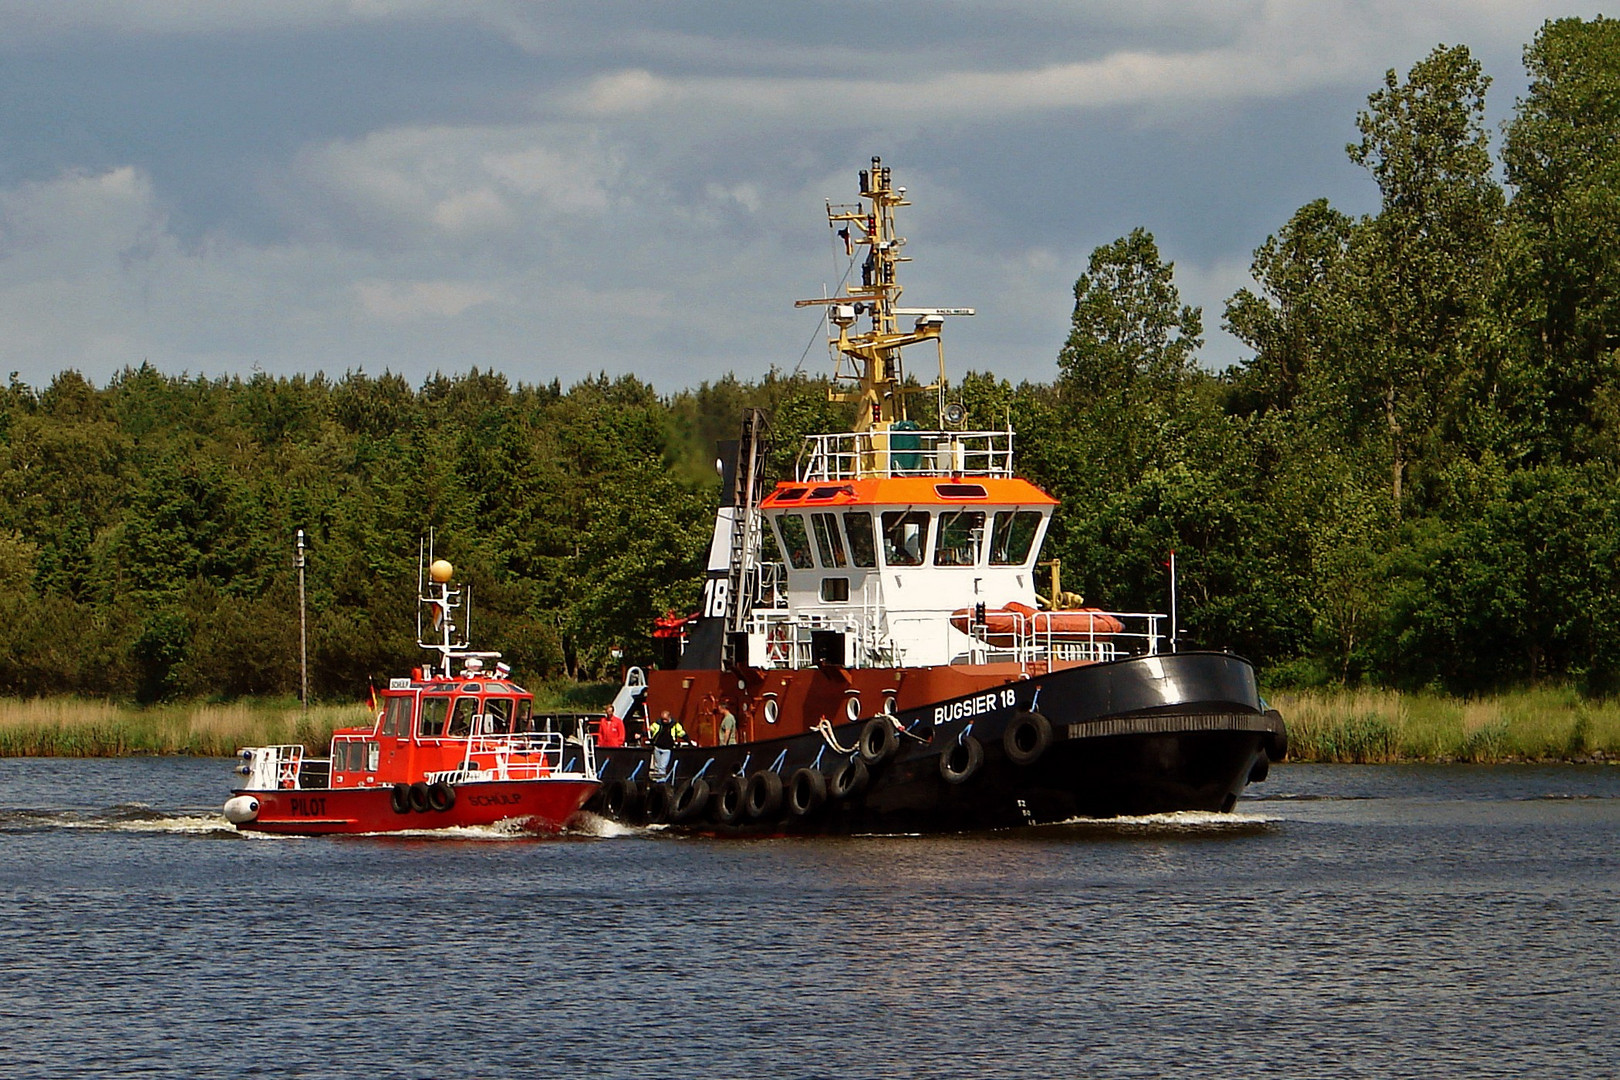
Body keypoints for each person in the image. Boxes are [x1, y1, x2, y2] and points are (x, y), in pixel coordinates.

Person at [647, 710, 687, 781]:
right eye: (663, 719)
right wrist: (641, 735)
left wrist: (689, 741)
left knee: (662, 766)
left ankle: (661, 781)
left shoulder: (675, 725)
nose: (664, 721)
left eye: (665, 719)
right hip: (657, 747)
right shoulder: (658, 724)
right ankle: (656, 781)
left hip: (667, 749)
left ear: (669, 717)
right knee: (657, 766)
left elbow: (682, 734)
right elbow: (650, 731)